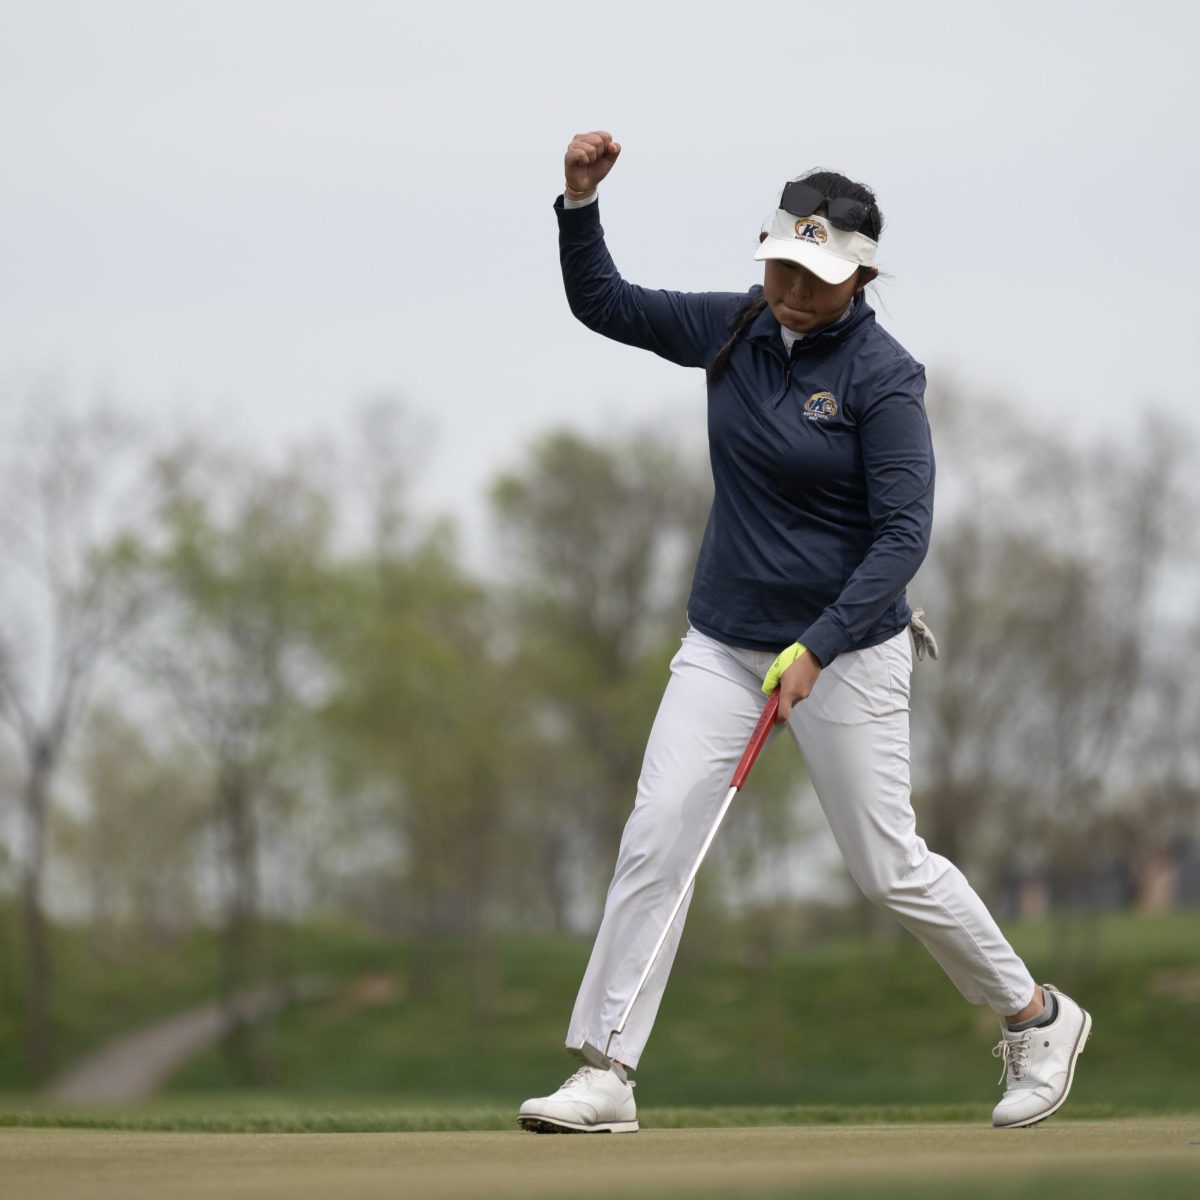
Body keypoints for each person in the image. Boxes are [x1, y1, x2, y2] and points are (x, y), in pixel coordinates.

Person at [517, 131, 1091, 1134]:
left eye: (817, 276)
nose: (792, 287)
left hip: (851, 650)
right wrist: (578, 206)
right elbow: (603, 302)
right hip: (726, 640)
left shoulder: (883, 377)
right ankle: (606, 1071)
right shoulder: (732, 331)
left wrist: (819, 647)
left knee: (886, 868)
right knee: (658, 838)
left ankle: (1036, 1018)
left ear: (860, 275)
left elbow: (904, 535)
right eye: (782, 263)